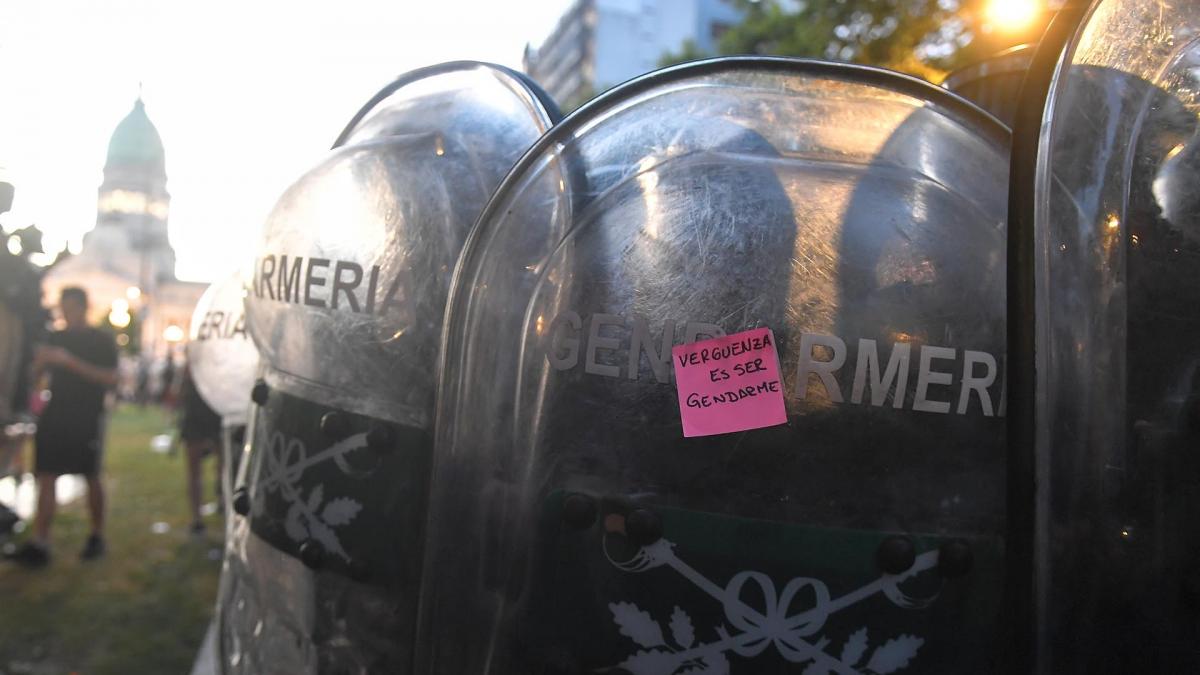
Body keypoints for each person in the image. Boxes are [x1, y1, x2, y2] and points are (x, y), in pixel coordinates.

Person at [4, 287, 117, 567]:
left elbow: (111, 378)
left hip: (87, 415)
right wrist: (39, 365)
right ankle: (41, 540)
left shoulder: (100, 340)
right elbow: (34, 377)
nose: (66, 314)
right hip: (56, 413)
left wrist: (70, 362)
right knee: (46, 474)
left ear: (83, 307)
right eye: (63, 308)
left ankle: (96, 534)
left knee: (91, 474)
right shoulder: (55, 337)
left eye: (71, 308)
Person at [175, 365, 222, 535]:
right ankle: (197, 518)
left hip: (214, 410)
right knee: (195, 470)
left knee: (221, 465)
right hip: (199, 412)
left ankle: (217, 501)